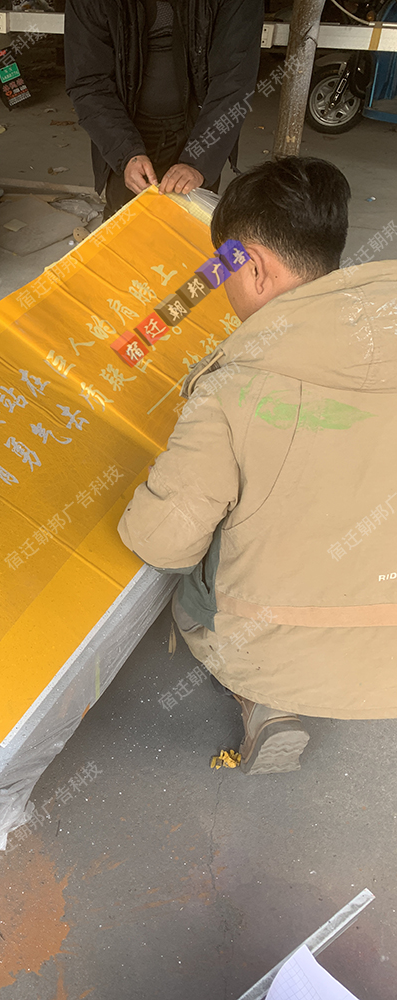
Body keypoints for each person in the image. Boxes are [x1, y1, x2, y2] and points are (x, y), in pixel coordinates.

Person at [117, 156, 397, 774]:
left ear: (256, 267)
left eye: (224, 270)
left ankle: (267, 699)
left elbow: (162, 543)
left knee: (196, 577)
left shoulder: (233, 389)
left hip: (283, 648)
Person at [64, 0, 264, 218]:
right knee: (125, 223)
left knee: (190, 223)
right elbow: (88, 81)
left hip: (199, 128)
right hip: (124, 125)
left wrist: (199, 162)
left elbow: (233, 83)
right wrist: (126, 153)